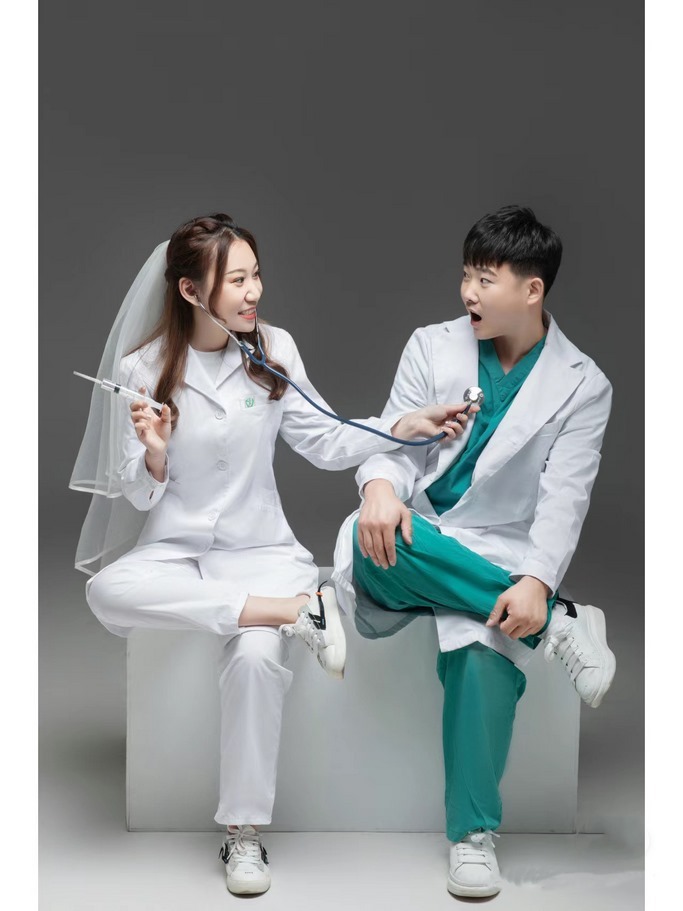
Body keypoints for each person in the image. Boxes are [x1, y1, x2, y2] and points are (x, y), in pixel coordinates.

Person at [70, 213, 473, 896]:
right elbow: (139, 494)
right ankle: (293, 610)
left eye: (255, 274)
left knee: (256, 658)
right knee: (105, 590)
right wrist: (156, 453)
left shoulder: (274, 349)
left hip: (261, 548)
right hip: (176, 552)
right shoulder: (142, 367)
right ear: (191, 291)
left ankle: (244, 833)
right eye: (236, 280)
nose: (254, 290)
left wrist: (401, 427)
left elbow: (325, 440)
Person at [332, 205, 616, 899]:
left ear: (532, 289)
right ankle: (559, 626)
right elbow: (395, 441)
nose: (467, 293)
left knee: (485, 643)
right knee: (376, 543)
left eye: (485, 279)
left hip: (499, 546)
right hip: (416, 533)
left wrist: (536, 579)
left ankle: (472, 836)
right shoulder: (431, 346)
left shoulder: (583, 385)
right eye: (465, 275)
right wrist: (378, 487)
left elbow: (564, 498)